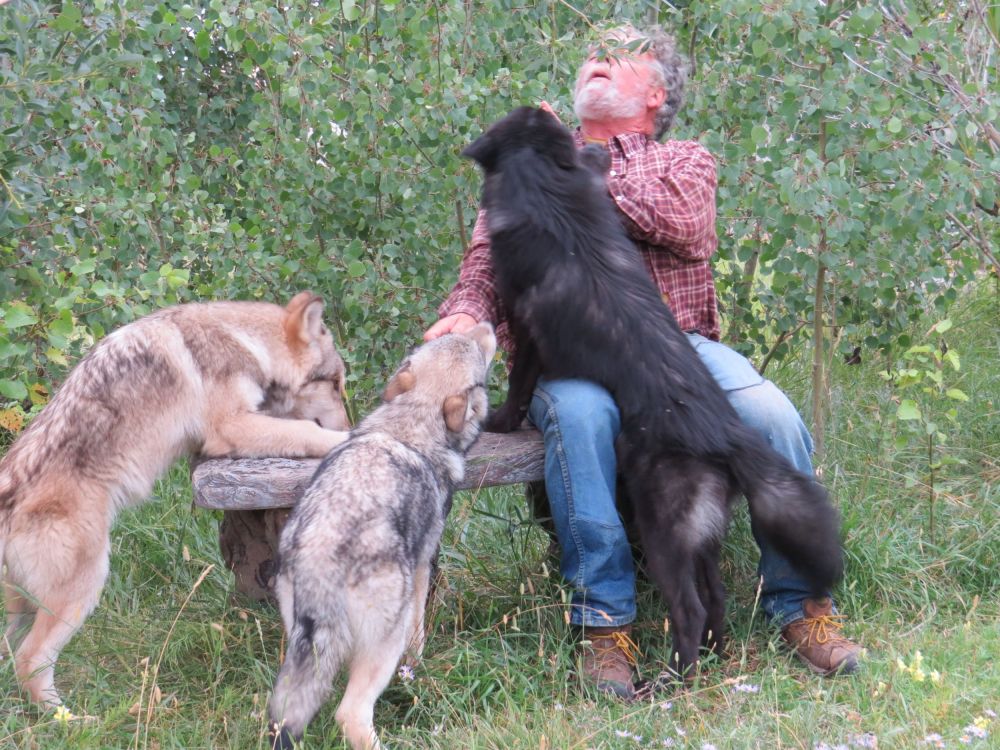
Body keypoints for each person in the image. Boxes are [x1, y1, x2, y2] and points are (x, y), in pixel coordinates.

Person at [424, 24, 862, 699]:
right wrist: (465, 309)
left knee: (769, 415)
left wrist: (572, 180)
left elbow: (688, 224)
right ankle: (607, 627)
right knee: (579, 417)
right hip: (571, 360)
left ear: (656, 93)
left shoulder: (681, 159)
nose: (596, 58)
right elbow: (488, 258)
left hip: (677, 349)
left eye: (617, 54)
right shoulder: (531, 165)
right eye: (590, 52)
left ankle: (801, 607)